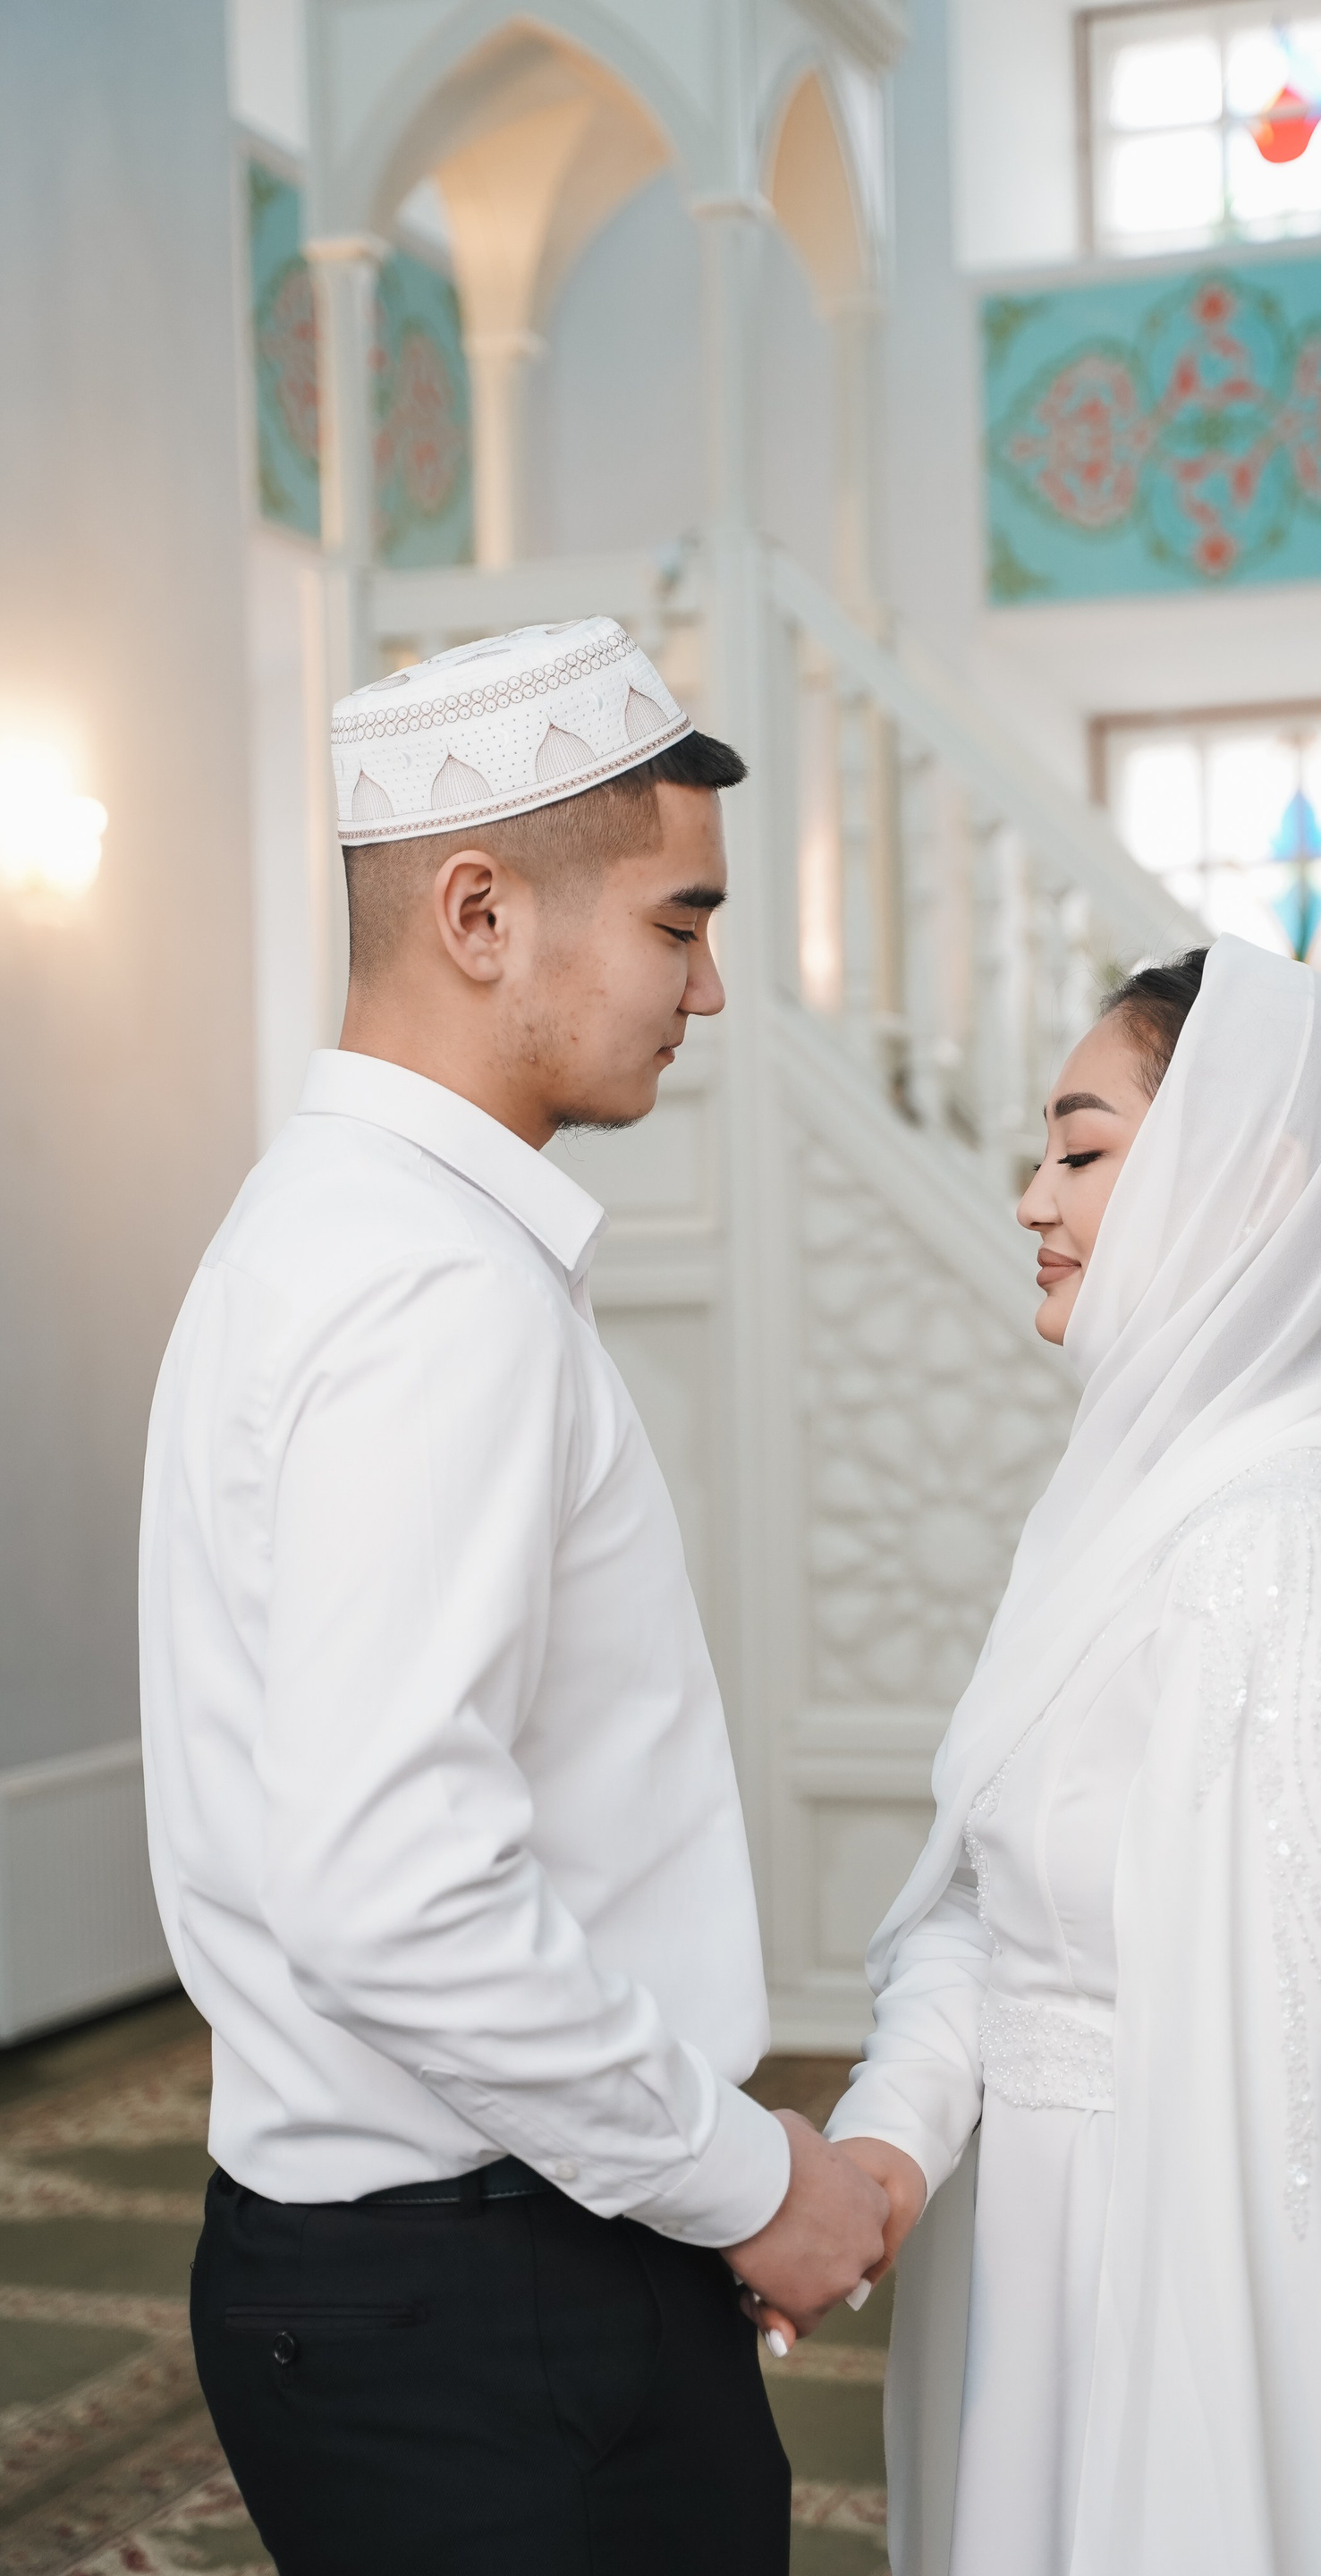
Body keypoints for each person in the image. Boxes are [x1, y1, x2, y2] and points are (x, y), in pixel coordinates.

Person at [139, 620, 886, 2576]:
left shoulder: (333, 1227)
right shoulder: (429, 1287)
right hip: (488, 2295)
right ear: (480, 913)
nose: (707, 988)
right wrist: (748, 2182)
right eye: (677, 923)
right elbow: (394, 1882)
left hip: (432, 2267)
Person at [818, 937, 1321, 2576]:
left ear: (1251, 1187)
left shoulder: (1294, 1547)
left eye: (1083, 1152)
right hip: (1032, 2254)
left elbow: (1293, 2128)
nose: (1033, 1200)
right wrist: (885, 2144)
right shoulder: (1125, 1510)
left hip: (1168, 2299)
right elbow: (996, 1907)